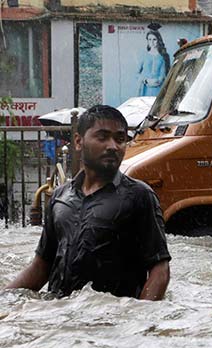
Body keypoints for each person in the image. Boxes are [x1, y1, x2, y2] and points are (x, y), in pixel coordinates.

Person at [5, 105, 171, 300]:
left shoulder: (139, 196)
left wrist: (141, 318)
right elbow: (41, 266)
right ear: (78, 141)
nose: (113, 146)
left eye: (120, 139)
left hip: (111, 322)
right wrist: (5, 298)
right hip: (59, 316)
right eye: (102, 137)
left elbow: (160, 269)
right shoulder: (59, 197)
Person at [137, 23, 170, 97]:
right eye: (149, 39)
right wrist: (145, 80)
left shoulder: (163, 57)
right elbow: (137, 73)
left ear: (158, 40)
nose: (152, 42)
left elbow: (163, 74)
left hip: (158, 89)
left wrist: (158, 81)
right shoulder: (144, 55)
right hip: (146, 89)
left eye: (154, 39)